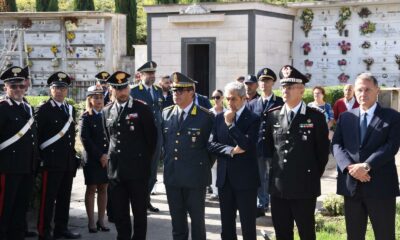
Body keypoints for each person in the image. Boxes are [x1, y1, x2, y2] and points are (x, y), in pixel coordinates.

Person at [332, 73, 400, 240]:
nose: (363, 94)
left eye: (367, 89)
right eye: (359, 90)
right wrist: (350, 167)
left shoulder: (392, 116)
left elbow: (391, 146)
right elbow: (336, 144)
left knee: (385, 235)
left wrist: (366, 166)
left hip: (381, 187)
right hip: (352, 187)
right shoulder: (345, 117)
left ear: (377, 90)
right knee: (354, 236)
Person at [264, 65, 329, 240]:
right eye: (283, 86)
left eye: (290, 87)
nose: (285, 90)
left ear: (301, 90)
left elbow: (322, 152)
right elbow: (270, 149)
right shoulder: (273, 115)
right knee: (282, 233)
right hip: (279, 187)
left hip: (304, 186)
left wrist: (312, 175)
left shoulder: (315, 117)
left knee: (306, 232)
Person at [103, 71, 157, 240]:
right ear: (112, 90)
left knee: (140, 212)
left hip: (137, 170)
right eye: (118, 89)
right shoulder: (107, 111)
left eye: (124, 87)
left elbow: (152, 140)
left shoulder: (142, 108)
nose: (122, 92)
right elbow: (108, 137)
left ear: (129, 87)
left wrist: (142, 161)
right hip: (116, 171)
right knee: (120, 213)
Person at [162, 72, 214, 240]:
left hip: (195, 178)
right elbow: (164, 144)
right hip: (173, 177)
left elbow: (211, 149)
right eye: (174, 91)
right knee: (177, 222)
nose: (176, 94)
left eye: (180, 91)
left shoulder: (205, 116)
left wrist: (200, 167)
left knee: (197, 222)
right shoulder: (166, 113)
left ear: (192, 92)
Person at [208, 81, 260, 240]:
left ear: (243, 98)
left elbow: (246, 145)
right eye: (227, 99)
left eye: (234, 99)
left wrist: (230, 124)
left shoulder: (253, 118)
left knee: (247, 225)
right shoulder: (218, 118)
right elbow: (210, 144)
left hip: (246, 181)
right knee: (227, 225)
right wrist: (230, 150)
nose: (229, 103)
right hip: (225, 180)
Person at [35, 71, 81, 240]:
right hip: (51, 162)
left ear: (67, 90)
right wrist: (40, 159)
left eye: (63, 88)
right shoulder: (44, 109)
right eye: (56, 88)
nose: (60, 91)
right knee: (48, 200)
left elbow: (70, 136)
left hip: (67, 162)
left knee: (64, 198)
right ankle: (44, 231)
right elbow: (37, 137)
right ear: (50, 90)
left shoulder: (70, 109)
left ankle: (61, 228)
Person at [0, 66, 37, 240]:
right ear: (5, 88)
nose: (17, 89)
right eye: (13, 86)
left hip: (26, 166)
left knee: (21, 206)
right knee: (5, 206)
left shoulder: (27, 108)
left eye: (21, 86)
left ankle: (17, 235)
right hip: (8, 166)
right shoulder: (2, 108)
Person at [248, 67, 283, 217]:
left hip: (275, 146)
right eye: (261, 81)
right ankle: (262, 204)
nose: (264, 84)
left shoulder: (280, 102)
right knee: (260, 177)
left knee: (275, 176)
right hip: (258, 147)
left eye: (267, 81)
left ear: (273, 83)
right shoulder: (252, 104)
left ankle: (275, 204)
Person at [130, 61, 163, 213]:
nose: (152, 76)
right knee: (141, 170)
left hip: (156, 136)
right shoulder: (134, 91)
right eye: (149, 73)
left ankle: (146, 200)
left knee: (152, 170)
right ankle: (138, 202)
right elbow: (130, 113)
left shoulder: (158, 90)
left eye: (153, 73)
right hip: (141, 137)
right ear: (141, 75)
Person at [79, 85, 110, 234]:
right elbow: (85, 139)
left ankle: (101, 220)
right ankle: (91, 221)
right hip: (92, 159)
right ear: (90, 100)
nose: (99, 100)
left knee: (104, 188)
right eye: (95, 97)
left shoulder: (108, 114)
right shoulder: (86, 116)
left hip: (106, 157)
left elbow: (112, 137)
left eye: (101, 97)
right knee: (91, 188)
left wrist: (107, 154)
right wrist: (100, 155)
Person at [209, 89, 227, 200]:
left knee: (222, 166)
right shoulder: (209, 112)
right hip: (212, 143)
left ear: (222, 98)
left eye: (218, 97)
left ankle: (221, 190)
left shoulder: (228, 112)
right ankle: (215, 191)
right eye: (213, 97)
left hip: (223, 142)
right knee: (213, 167)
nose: (216, 99)